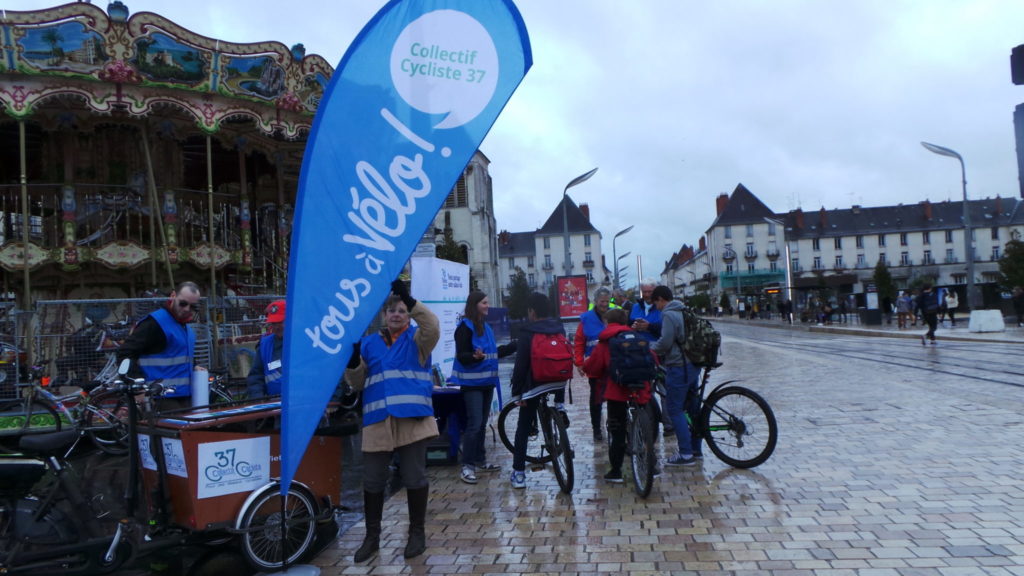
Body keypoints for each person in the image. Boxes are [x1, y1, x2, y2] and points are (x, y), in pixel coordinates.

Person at [346, 279, 440, 562]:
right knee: (373, 481)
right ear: (384, 316)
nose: (396, 315)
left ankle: (416, 533)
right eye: (392, 311)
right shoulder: (369, 343)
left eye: (401, 310)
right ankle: (372, 537)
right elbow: (358, 383)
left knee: (414, 477)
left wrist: (410, 300)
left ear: (408, 314)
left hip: (412, 420)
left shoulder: (418, 339)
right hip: (377, 421)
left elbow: (433, 326)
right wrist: (352, 363)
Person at [582, 308, 656, 483]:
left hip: (617, 391)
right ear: (625, 322)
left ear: (608, 322)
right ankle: (652, 464)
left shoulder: (605, 342)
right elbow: (653, 358)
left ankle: (616, 471)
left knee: (617, 431)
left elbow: (593, 367)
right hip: (640, 388)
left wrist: (585, 367)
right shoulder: (638, 337)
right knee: (644, 427)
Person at [450, 291, 516, 485]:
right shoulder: (464, 328)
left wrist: (514, 346)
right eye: (484, 303)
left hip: (487, 383)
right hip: (472, 385)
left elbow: (493, 354)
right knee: (474, 424)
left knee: (481, 425)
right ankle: (467, 466)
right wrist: (473, 357)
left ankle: (480, 460)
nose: (488, 305)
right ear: (475, 305)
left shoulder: (486, 327)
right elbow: (462, 355)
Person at [509, 292, 568, 489]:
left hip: (535, 383)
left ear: (532, 311)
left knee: (523, 427)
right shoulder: (558, 327)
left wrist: (517, 392)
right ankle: (559, 407)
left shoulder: (527, 331)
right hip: (559, 380)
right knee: (557, 379)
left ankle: (518, 474)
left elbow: (521, 365)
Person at [116, 281, 201, 410]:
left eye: (193, 306)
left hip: (183, 395)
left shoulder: (184, 326)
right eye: (183, 303)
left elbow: (179, 354)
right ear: (173, 296)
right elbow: (125, 353)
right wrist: (138, 388)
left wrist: (194, 366)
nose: (187, 309)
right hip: (159, 398)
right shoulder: (154, 324)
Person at [650, 285, 701, 467]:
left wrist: (650, 349)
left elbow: (665, 342)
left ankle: (686, 455)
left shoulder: (668, 314)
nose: (656, 307)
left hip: (679, 366)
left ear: (661, 299)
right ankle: (696, 449)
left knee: (674, 409)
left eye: (655, 302)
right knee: (693, 408)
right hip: (693, 364)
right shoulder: (684, 309)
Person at [573, 286, 613, 441]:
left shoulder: (614, 315)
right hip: (595, 365)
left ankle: (615, 425)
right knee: (596, 398)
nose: (605, 304)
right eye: (602, 301)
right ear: (596, 301)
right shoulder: (586, 319)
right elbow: (579, 342)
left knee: (615, 396)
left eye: (607, 301)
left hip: (614, 363)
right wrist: (579, 362)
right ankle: (597, 428)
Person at [245, 300, 286, 399]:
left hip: (301, 404)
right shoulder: (264, 345)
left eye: (280, 322)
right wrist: (258, 400)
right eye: (273, 323)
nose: (276, 327)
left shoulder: (305, 342)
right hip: (273, 406)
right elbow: (256, 376)